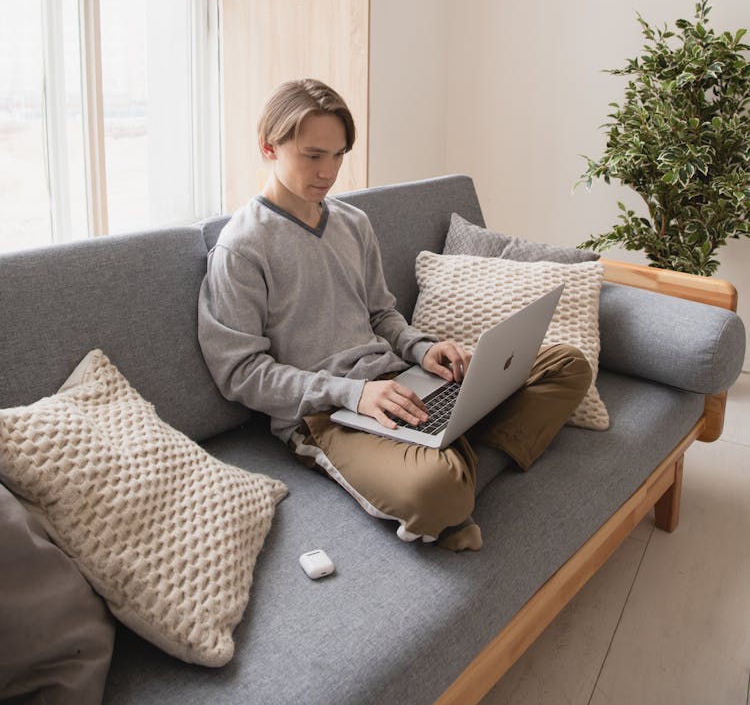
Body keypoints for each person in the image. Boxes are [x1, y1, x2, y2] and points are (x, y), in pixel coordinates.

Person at [198, 78, 592, 552]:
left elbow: (383, 314)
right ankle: (456, 470)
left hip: (400, 381)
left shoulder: (352, 222)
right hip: (328, 414)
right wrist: (354, 393)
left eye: (339, 154)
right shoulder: (241, 248)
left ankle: (452, 451)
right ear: (268, 147)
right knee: (435, 492)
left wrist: (422, 349)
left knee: (568, 364)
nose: (329, 171)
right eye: (313, 155)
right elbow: (239, 374)